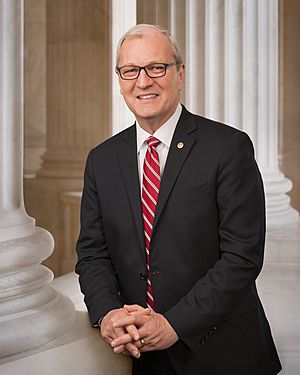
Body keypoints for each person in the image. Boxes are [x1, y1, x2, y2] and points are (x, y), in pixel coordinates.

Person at [76, 24, 282, 375]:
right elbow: (93, 253)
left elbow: (242, 257)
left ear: (180, 73)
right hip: (142, 356)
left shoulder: (228, 147)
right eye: (130, 70)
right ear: (120, 79)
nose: (143, 81)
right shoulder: (101, 159)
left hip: (223, 354)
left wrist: (174, 324)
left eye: (156, 67)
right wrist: (108, 312)